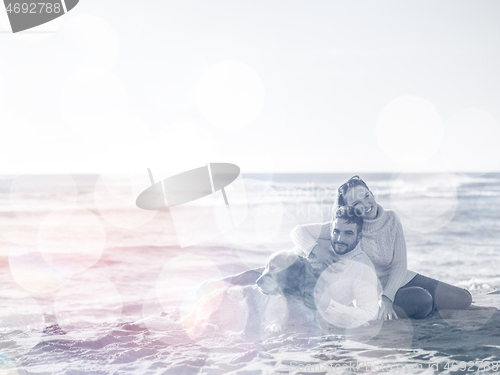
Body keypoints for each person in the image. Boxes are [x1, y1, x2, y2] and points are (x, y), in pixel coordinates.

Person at [291, 175, 472, 320]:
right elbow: (298, 232)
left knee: (464, 299)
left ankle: (423, 305)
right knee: (423, 300)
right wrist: (316, 250)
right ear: (349, 209)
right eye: (356, 204)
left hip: (398, 279)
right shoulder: (349, 228)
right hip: (373, 290)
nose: (365, 205)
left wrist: (389, 297)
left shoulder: (391, 219)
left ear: (371, 193)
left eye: (366, 196)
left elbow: (399, 264)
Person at [312, 206, 379, 328]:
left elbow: (370, 313)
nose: (339, 239)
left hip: (317, 321)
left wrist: (329, 305)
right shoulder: (317, 248)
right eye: (336, 231)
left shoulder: (363, 268)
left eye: (348, 233)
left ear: (359, 237)